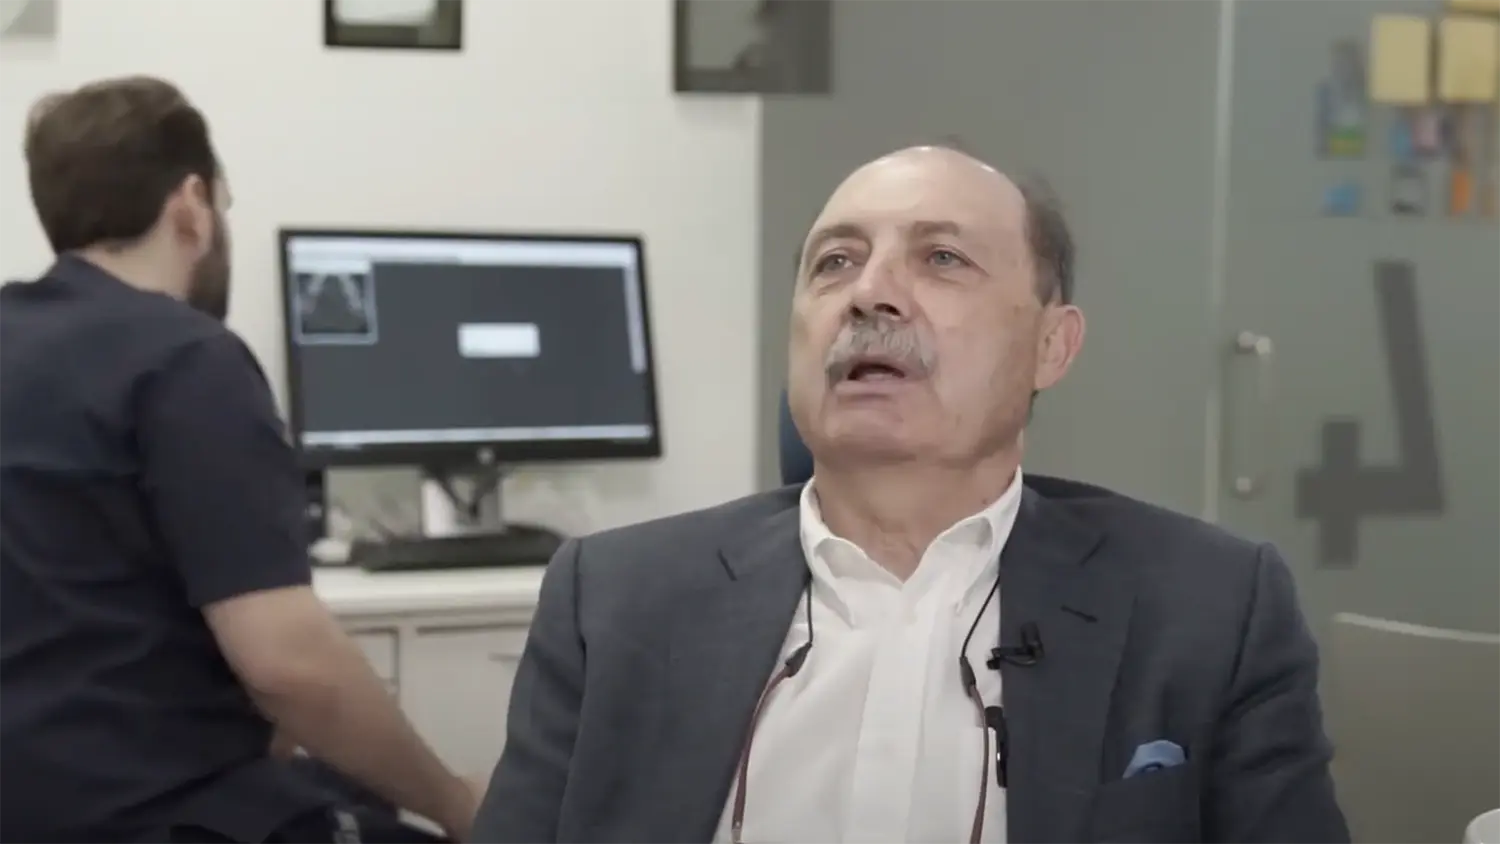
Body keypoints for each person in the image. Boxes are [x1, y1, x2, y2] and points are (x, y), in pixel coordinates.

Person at [472, 145, 1351, 843]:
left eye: (941, 258)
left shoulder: (1208, 606)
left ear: (1052, 346)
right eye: (835, 262)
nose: (870, 294)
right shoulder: (614, 598)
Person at [0, 76, 482, 844]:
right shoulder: (186, 360)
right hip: (146, 812)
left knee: (339, 784)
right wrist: (457, 803)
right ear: (192, 205)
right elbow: (288, 666)